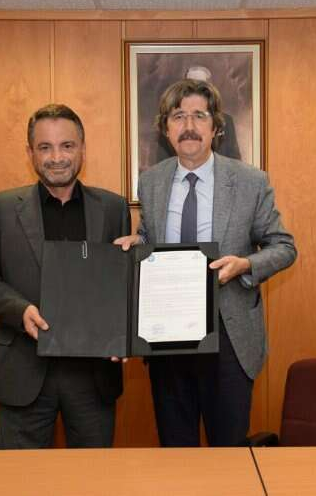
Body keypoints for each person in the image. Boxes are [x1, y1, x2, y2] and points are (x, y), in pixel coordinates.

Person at [115, 79, 296, 447]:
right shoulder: (151, 181)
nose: (189, 126)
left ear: (216, 127)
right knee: (176, 449)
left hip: (228, 335)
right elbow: (151, 235)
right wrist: (139, 241)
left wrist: (245, 265)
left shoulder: (249, 181)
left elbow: (283, 246)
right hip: (166, 336)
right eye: (178, 116)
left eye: (199, 116)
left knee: (228, 453)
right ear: (166, 129)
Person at [0, 104, 130, 449]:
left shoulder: (113, 208)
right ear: (30, 153)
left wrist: (123, 335)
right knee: (23, 476)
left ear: (82, 149)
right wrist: (20, 310)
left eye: (67, 145)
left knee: (95, 475)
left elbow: (122, 283)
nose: (57, 157)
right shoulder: (1, 208)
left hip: (93, 375)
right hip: (22, 370)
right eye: (45, 147)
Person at [154, 65, 242, 164]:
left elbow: (234, 158)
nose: (189, 127)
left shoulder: (227, 121)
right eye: (190, 84)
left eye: (200, 84)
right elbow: (161, 161)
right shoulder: (169, 121)